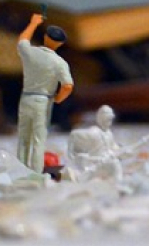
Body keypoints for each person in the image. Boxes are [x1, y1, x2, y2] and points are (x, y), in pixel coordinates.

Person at [16, 12, 73, 172]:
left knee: (23, 138)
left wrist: (34, 23)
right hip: (43, 100)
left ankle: (20, 169)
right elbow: (68, 86)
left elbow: (22, 41)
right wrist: (58, 98)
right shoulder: (59, 62)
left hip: (26, 97)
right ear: (60, 44)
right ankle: (36, 171)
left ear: (46, 37)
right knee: (38, 139)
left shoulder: (31, 53)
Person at [67, 104, 123, 180]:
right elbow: (74, 134)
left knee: (116, 163)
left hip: (107, 160)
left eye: (110, 120)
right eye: (108, 120)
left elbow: (113, 147)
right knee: (115, 164)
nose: (110, 122)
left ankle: (117, 181)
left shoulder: (109, 133)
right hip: (96, 161)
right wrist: (73, 155)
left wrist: (120, 150)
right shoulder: (94, 132)